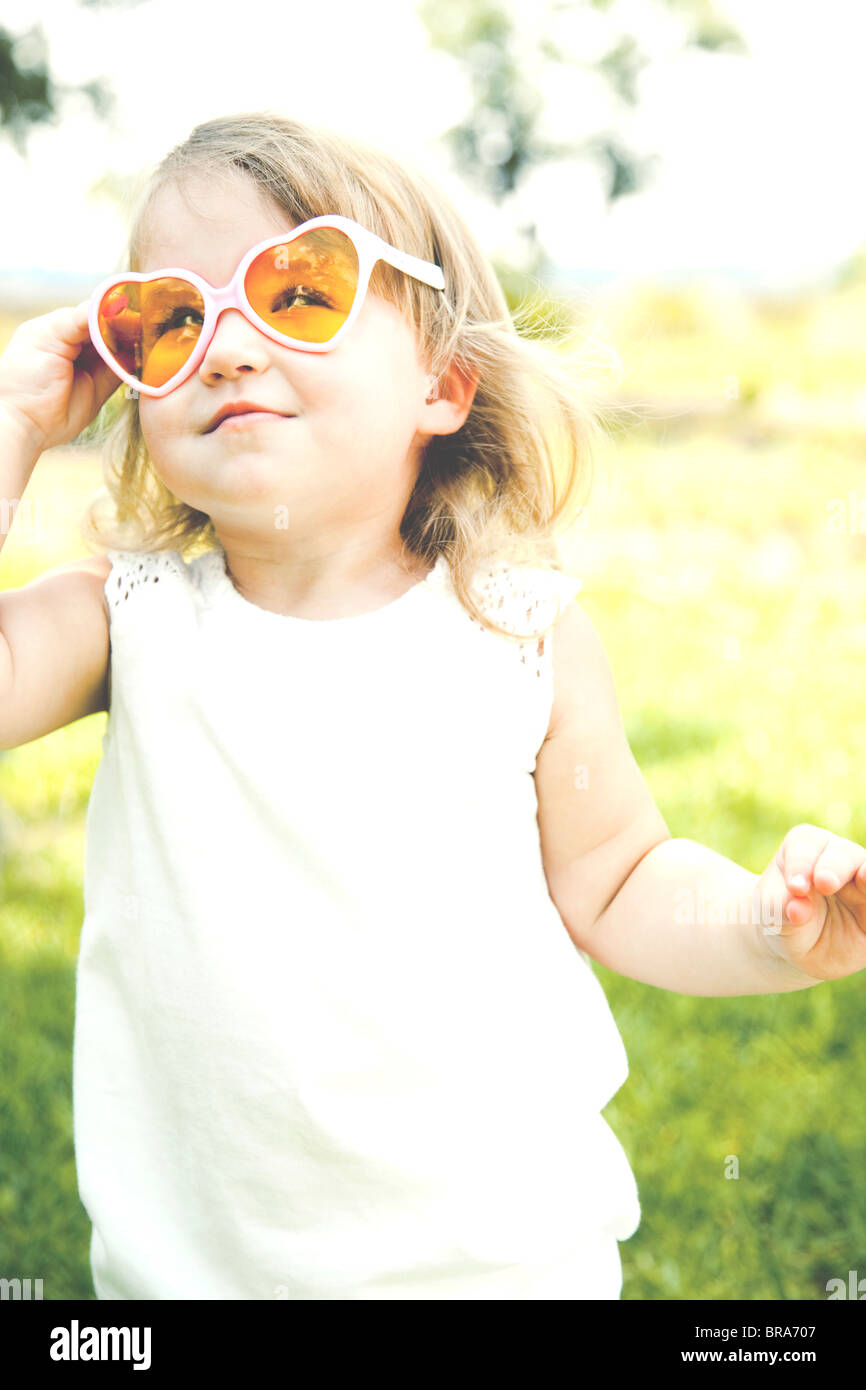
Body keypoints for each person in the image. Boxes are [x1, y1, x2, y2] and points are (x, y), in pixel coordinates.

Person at [1, 112, 864, 1302]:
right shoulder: (123, 618)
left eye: (299, 290)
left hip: (500, 1266)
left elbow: (615, 879)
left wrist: (768, 923)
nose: (230, 347)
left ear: (442, 383)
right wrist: (14, 421)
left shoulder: (518, 632)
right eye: (171, 318)